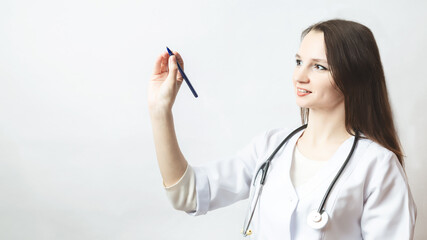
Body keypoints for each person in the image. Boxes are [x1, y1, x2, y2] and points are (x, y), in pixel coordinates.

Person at [148, 19, 417, 239]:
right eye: (299, 61)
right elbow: (188, 195)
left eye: (319, 66)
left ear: (353, 75)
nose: (300, 76)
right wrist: (161, 112)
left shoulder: (377, 165)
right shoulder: (270, 147)